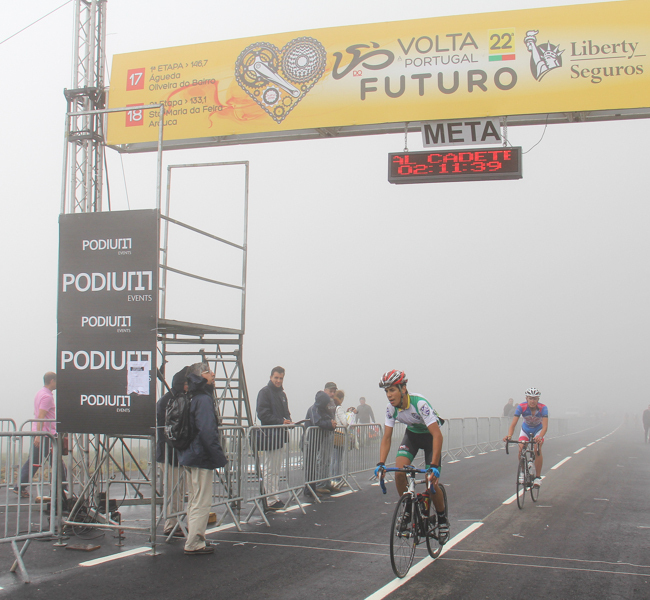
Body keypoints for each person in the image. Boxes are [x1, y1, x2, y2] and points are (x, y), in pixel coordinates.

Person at [374, 370, 449, 542]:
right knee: (399, 472)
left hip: (430, 438)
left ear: (403, 388)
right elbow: (386, 438)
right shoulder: (390, 409)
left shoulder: (419, 403)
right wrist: (381, 463)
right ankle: (407, 509)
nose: (389, 395)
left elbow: (437, 435)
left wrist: (434, 466)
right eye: (386, 391)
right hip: (412, 437)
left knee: (431, 482)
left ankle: (442, 520)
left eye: (392, 390)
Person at [178, 363, 228, 555]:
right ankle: (195, 542)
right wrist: (218, 456)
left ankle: (193, 537)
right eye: (207, 371)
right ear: (200, 376)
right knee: (202, 501)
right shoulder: (204, 399)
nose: (212, 374)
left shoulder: (190, 395)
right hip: (200, 456)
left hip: (189, 454)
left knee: (193, 499)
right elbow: (207, 431)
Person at [14, 372, 66, 498]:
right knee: (56, 461)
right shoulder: (47, 397)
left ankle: (20, 486)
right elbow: (41, 416)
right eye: (57, 381)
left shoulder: (40, 393)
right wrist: (39, 434)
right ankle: (63, 488)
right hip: (46, 435)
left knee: (35, 461)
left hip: (41, 433)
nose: (58, 384)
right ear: (52, 381)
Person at [156, 366, 189, 537]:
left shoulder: (176, 399)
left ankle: (176, 522)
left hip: (175, 452)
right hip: (169, 452)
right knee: (173, 491)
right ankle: (171, 524)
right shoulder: (169, 401)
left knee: (179, 490)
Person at [256, 366, 292, 511]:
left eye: (281, 378)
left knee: (276, 469)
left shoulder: (282, 394)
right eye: (276, 377)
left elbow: (286, 413)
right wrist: (280, 421)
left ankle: (274, 496)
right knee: (270, 469)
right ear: (271, 377)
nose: (278, 380)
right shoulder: (264, 392)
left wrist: (288, 421)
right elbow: (262, 414)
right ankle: (269, 499)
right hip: (270, 436)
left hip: (280, 436)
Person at [503, 388, 548, 488]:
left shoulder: (543, 408)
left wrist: (540, 437)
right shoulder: (521, 407)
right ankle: (523, 472)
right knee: (521, 449)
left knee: (537, 449)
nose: (532, 401)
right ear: (526, 398)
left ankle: (537, 478)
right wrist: (509, 436)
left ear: (538, 399)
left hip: (538, 430)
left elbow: (545, 427)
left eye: (535, 399)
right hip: (526, 430)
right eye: (530, 398)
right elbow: (513, 424)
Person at [303, 382, 337, 500]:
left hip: (317, 439)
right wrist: (330, 424)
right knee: (311, 464)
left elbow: (326, 419)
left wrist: (331, 423)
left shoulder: (322, 408)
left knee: (315, 463)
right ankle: (310, 489)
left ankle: (315, 487)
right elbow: (317, 422)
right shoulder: (315, 409)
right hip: (310, 439)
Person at [331, 389, 348, 490]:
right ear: (341, 398)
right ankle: (337, 479)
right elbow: (345, 423)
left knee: (333, 458)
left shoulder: (332, 407)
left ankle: (332, 479)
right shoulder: (339, 408)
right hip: (340, 434)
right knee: (338, 459)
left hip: (333, 434)